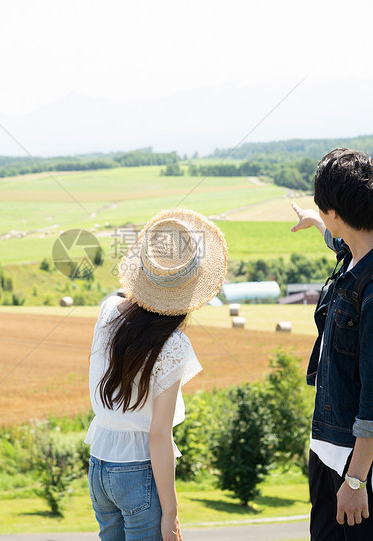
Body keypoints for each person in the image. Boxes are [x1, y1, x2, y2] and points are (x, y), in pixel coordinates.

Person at [290, 148, 373, 541]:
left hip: (363, 471)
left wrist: (356, 481)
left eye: (323, 209)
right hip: (334, 451)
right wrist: (317, 223)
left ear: (338, 212)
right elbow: (343, 243)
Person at [86, 208, 228, 541]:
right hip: (137, 470)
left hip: (98, 466)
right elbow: (159, 435)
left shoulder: (108, 311)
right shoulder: (173, 345)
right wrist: (172, 515)